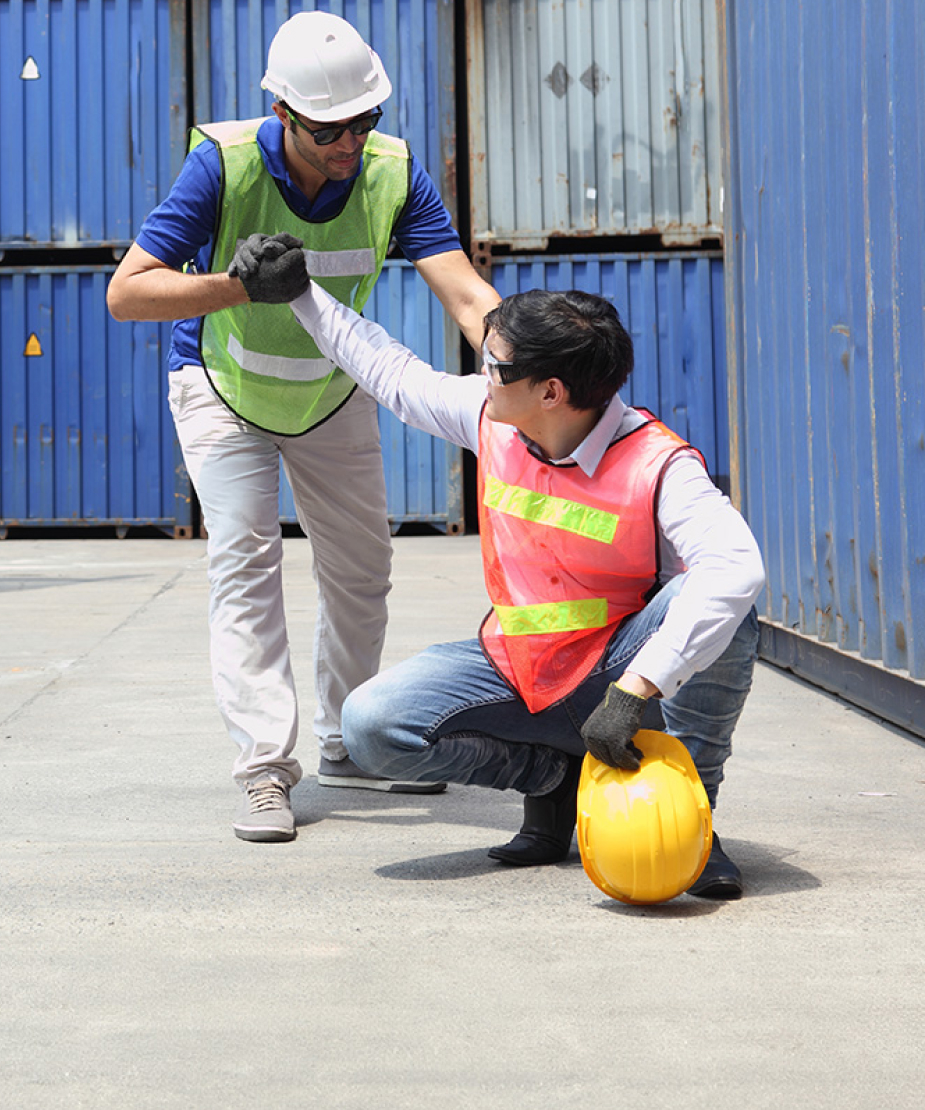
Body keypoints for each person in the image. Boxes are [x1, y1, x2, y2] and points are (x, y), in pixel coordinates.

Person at [106, 11, 501, 844]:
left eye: (365, 121)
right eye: (329, 129)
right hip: (223, 385)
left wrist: (533, 366)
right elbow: (127, 293)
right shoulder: (223, 163)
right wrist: (238, 286)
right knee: (245, 565)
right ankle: (261, 770)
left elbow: (465, 294)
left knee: (363, 569)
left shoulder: (394, 174)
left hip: (331, 390)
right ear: (283, 114)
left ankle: (352, 743)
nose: (350, 142)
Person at [283, 274, 765, 898]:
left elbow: (738, 566)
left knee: (728, 605)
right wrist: (299, 293)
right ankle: (549, 776)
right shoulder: (495, 420)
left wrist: (635, 690)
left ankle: (689, 807)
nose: (482, 374)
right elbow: (392, 374)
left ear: (551, 391)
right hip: (522, 665)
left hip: (619, 670)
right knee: (371, 726)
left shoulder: (659, 466)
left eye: (494, 364)